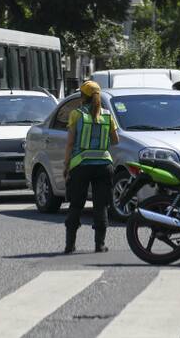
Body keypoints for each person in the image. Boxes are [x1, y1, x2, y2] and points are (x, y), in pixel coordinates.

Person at [63, 80, 119, 254]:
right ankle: (100, 245)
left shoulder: (76, 115)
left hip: (80, 165)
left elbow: (70, 143)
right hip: (104, 165)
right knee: (101, 206)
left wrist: (66, 166)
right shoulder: (107, 115)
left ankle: (70, 245)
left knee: (76, 205)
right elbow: (116, 140)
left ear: (82, 96)